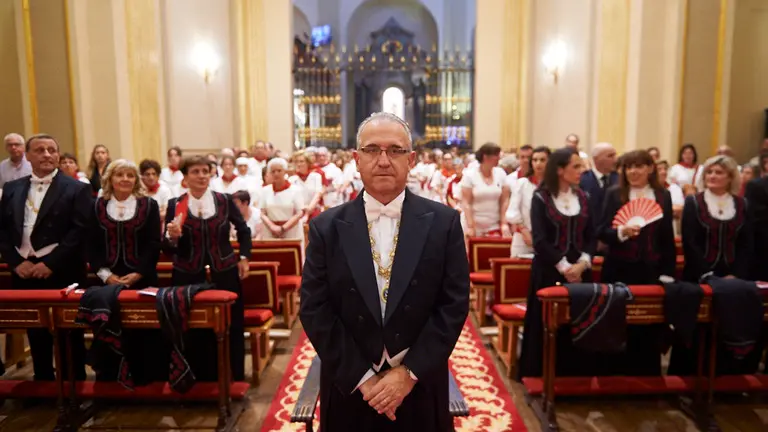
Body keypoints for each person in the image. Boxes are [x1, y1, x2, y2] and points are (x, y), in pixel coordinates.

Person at [299, 112, 469, 431]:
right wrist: (363, 379)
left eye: (395, 150)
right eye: (372, 150)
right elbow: (314, 308)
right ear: (356, 159)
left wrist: (408, 374)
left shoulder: (444, 223)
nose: (383, 160)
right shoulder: (326, 227)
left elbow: (454, 305)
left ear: (411, 160)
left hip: (418, 384)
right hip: (351, 386)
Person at [0, 133, 92, 381]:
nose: (47, 155)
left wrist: (50, 263)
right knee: (36, 329)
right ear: (27, 156)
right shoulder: (12, 188)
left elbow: (80, 231)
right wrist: (16, 263)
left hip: (63, 269)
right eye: (40, 150)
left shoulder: (77, 188)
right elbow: (3, 231)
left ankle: (74, 382)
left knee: (69, 331)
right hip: (24, 269)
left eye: (52, 150)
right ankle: (42, 381)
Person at [163, 156, 251, 382]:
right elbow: (168, 248)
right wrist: (173, 238)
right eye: (195, 172)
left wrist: (243, 258)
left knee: (231, 323)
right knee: (193, 326)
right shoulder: (176, 204)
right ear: (185, 177)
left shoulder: (224, 200)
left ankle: (233, 376)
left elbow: (243, 231)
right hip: (188, 273)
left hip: (225, 271)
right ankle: (199, 377)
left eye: (205, 171)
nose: (202, 176)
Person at [669, 155, 756, 376]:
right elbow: (690, 242)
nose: (713, 176)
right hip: (698, 277)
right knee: (698, 332)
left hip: (734, 278)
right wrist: (707, 274)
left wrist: (736, 274)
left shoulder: (742, 204)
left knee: (729, 324)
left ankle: (725, 379)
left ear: (730, 177)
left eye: (719, 172)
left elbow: (746, 244)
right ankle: (689, 379)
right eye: (709, 172)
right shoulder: (694, 203)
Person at [597, 149, 676, 376]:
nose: (633, 171)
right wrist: (621, 232)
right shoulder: (614, 194)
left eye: (639, 166)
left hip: (650, 271)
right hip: (618, 269)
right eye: (628, 167)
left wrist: (667, 273)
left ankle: (646, 376)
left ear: (650, 168)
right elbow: (601, 231)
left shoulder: (663, 196)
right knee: (618, 323)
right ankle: (614, 376)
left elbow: (667, 239)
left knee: (648, 325)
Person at [518, 147, 595, 379]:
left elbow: (591, 236)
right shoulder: (541, 197)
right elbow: (540, 240)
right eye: (576, 166)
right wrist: (563, 266)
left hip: (580, 272)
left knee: (576, 321)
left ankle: (573, 374)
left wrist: (582, 263)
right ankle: (542, 374)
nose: (581, 171)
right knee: (546, 324)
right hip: (549, 271)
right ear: (560, 170)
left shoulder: (584, 197)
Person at [88, 159, 164, 384]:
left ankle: (144, 379)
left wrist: (139, 272)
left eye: (130, 175)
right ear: (110, 179)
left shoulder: (148, 205)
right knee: (110, 326)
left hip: (142, 278)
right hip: (106, 279)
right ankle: (110, 379)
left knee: (142, 330)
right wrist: (105, 275)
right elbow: (90, 244)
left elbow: (154, 243)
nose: (125, 179)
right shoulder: (96, 206)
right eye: (119, 175)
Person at [506, 146, 550, 257]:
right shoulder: (522, 183)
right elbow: (512, 211)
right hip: (523, 238)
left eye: (542, 160)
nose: (538, 163)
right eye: (535, 160)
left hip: (547, 239)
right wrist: (524, 230)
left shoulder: (554, 186)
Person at [460, 142, 511, 237]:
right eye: (496, 155)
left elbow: (505, 200)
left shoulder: (501, 173)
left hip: (493, 225)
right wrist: (471, 226)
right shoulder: (470, 175)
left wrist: (504, 223)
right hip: (473, 224)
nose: (499, 158)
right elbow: (466, 202)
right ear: (485, 157)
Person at [260, 158, 305, 246]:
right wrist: (272, 227)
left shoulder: (295, 190)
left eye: (279, 171)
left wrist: (283, 228)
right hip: (270, 231)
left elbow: (299, 213)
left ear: (285, 172)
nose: (276, 174)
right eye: (273, 171)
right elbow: (262, 213)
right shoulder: (265, 191)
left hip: (291, 232)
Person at [579, 142, 618, 230]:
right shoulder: (582, 180)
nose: (615, 160)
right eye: (610, 156)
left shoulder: (619, 180)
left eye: (615, 155)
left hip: (613, 232)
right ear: (596, 159)